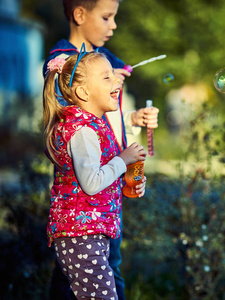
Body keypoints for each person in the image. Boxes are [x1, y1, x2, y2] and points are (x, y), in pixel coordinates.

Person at [42, 1, 159, 298]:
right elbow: (79, 132)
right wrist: (122, 159)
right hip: (83, 210)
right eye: (107, 17)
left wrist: (132, 120)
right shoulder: (69, 67)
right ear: (80, 14)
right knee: (98, 276)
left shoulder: (101, 62)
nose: (114, 25)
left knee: (83, 276)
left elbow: (105, 127)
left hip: (104, 202)